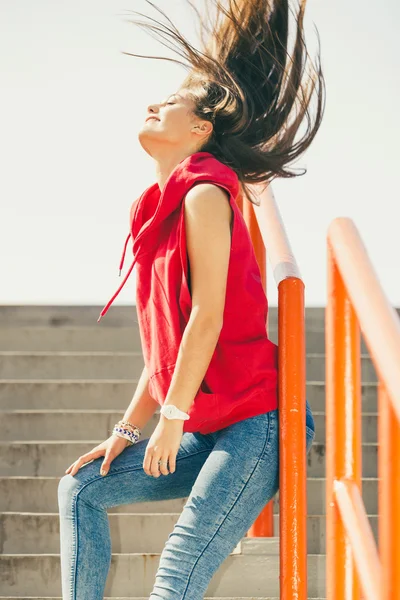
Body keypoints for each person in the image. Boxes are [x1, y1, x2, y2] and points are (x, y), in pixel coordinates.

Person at [58, 1, 325, 598]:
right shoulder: (149, 211)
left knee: (175, 573)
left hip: (253, 425)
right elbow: (166, 345)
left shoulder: (205, 193)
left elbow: (207, 317)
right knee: (80, 488)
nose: (154, 105)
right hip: (200, 422)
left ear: (201, 129)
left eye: (169, 103)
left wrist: (171, 421)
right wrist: (128, 431)